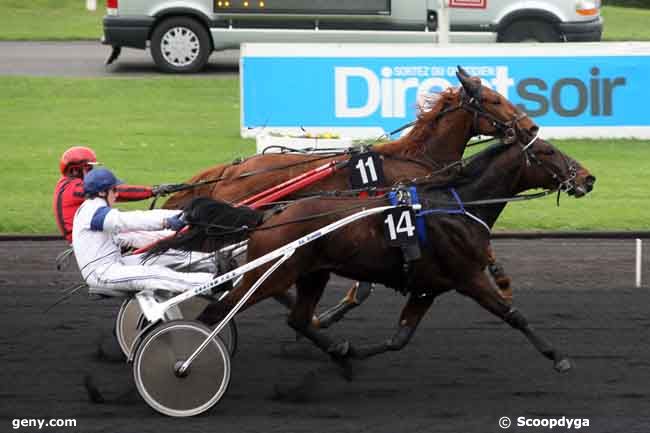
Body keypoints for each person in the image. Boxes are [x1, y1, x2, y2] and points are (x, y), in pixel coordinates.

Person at [72, 167, 216, 294]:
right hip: (103, 273)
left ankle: (214, 262)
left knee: (162, 256)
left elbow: (138, 229)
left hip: (116, 264)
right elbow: (129, 221)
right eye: (114, 190)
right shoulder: (93, 212)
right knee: (156, 274)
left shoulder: (95, 209)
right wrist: (165, 222)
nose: (117, 194)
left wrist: (180, 215)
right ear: (102, 192)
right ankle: (212, 282)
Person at [53, 146, 176, 244]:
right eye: (88, 168)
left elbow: (114, 194)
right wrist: (153, 191)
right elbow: (118, 192)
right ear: (75, 170)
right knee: (152, 235)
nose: (92, 171)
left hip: (86, 233)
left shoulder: (68, 184)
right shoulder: (75, 188)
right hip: (89, 239)